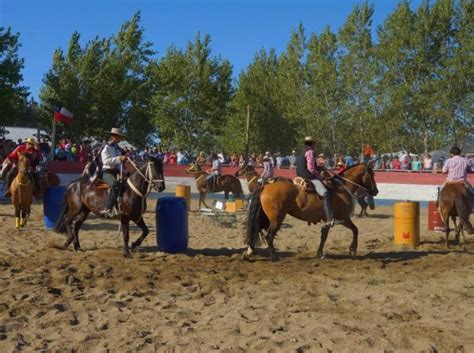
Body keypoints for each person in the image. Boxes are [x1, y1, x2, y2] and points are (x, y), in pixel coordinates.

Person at [296, 136, 343, 227]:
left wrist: (318, 167)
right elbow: (310, 168)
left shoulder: (302, 152)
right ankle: (330, 219)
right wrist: (320, 177)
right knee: (325, 193)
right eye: (315, 144)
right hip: (309, 176)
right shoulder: (311, 152)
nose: (316, 145)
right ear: (313, 144)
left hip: (300, 175)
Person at [100, 128, 127, 218]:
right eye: (119, 137)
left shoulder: (118, 149)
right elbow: (106, 162)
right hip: (106, 172)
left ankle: (120, 207)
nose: (120, 139)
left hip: (116, 172)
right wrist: (119, 158)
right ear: (114, 136)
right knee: (115, 184)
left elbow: (119, 164)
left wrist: (123, 172)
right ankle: (107, 209)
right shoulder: (106, 147)